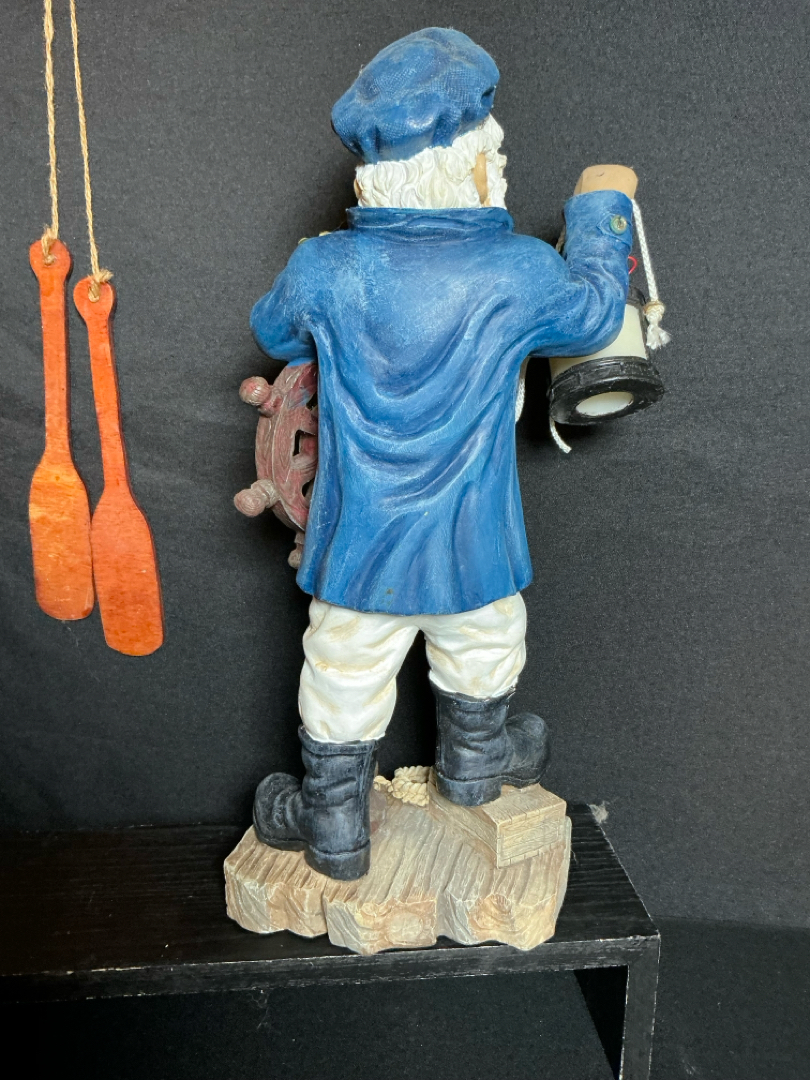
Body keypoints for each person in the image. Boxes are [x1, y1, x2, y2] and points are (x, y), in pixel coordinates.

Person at [249, 27, 637, 880]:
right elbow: (598, 311)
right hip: (474, 543)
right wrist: (601, 214)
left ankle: (333, 824)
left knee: (345, 667)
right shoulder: (520, 270)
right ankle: (475, 763)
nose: (501, 169)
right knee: (487, 639)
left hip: (360, 551)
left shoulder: (324, 267)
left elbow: (273, 330)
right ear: (472, 166)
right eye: (495, 155)